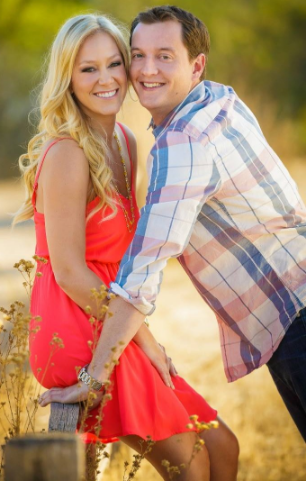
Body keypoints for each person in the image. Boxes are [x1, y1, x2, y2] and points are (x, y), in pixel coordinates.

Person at [43, 5, 306, 444]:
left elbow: (144, 267)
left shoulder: (180, 140)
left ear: (196, 65)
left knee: (219, 449)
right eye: (138, 55)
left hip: (296, 318)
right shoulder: (220, 100)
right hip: (290, 309)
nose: (146, 70)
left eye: (165, 56)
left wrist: (98, 375)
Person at [14, 13, 239, 481]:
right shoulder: (67, 154)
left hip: (113, 320)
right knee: (194, 467)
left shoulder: (124, 140)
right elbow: (72, 273)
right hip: (75, 328)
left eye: (115, 63)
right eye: (87, 68)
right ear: (67, 79)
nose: (106, 79)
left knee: (223, 446)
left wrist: (136, 332)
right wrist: (146, 340)